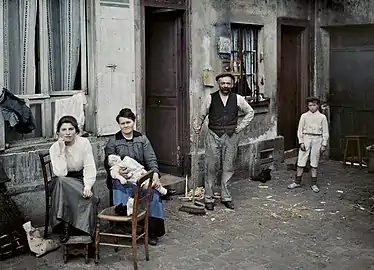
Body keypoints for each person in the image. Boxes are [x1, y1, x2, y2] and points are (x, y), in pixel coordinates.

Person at [104, 108, 175, 246]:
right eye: (122, 123)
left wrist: (154, 173)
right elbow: (109, 162)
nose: (125, 126)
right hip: (122, 178)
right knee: (122, 189)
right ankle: (124, 225)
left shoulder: (142, 139)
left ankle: (150, 231)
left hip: (140, 175)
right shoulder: (113, 141)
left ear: (133, 122)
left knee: (153, 193)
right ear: (119, 125)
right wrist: (117, 171)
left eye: (128, 122)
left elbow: (151, 159)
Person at [194, 73, 254, 211]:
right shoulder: (210, 98)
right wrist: (197, 126)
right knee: (211, 167)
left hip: (231, 137)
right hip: (213, 136)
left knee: (228, 167)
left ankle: (226, 197)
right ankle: (208, 199)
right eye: (223, 83)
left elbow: (250, 112)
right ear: (218, 84)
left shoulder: (238, 99)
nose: (225, 86)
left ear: (232, 84)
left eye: (228, 83)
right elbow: (201, 115)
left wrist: (240, 127)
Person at [49, 115, 98, 243]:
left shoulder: (84, 143)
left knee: (88, 197)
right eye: (64, 129)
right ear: (58, 132)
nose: (68, 133)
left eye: (71, 129)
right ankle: (65, 226)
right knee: (61, 182)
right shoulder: (54, 148)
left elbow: (89, 166)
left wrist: (87, 186)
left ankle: (83, 230)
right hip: (62, 180)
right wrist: (61, 151)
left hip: (81, 179)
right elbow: (60, 173)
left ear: (76, 131)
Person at [288, 96, 329, 193]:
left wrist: (324, 144)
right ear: (307, 106)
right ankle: (297, 181)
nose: (312, 107)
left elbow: (325, 132)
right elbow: (300, 130)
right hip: (306, 138)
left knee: (314, 161)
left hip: (317, 139)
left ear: (318, 106)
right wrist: (301, 141)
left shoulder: (322, 117)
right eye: (310, 105)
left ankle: (314, 184)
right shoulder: (304, 116)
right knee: (301, 160)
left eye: (314, 105)